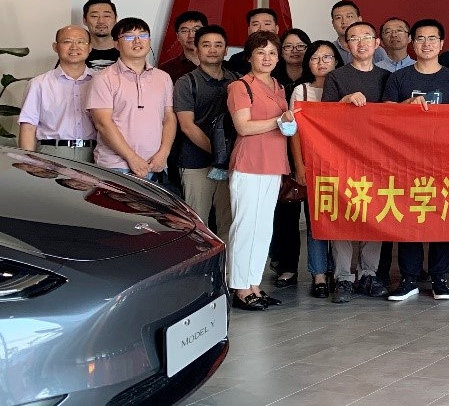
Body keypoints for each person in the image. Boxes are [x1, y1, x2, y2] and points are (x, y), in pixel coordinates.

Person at [383, 19, 449, 301]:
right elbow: (384, 117)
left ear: (442, 44)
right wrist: (406, 106)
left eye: (432, 39)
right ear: (412, 43)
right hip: (406, 159)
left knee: (440, 218)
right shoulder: (399, 78)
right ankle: (409, 278)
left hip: (443, 159)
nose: (426, 44)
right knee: (409, 218)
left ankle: (440, 277)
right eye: (420, 38)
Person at [225, 30, 296, 311]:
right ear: (249, 57)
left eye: (272, 53)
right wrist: (279, 121)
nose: (267, 58)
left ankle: (254, 284)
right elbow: (243, 126)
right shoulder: (241, 86)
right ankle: (239, 287)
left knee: (264, 228)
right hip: (249, 163)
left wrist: (287, 123)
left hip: (273, 164)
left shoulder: (278, 86)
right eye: (260, 52)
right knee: (245, 226)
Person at [323, 21, 392, 302]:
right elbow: (323, 118)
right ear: (346, 44)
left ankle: (368, 274)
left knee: (376, 212)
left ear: (377, 43)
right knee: (342, 215)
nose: (361, 43)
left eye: (366, 37)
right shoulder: (336, 77)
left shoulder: (388, 77)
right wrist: (345, 101)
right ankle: (343, 277)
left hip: (378, 158)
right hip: (343, 157)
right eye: (354, 38)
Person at [86, 18, 176, 181]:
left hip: (156, 165)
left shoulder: (163, 78)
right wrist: (131, 158)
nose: (137, 41)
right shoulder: (103, 78)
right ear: (116, 44)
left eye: (143, 35)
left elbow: (169, 117)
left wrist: (164, 152)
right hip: (116, 166)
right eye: (129, 36)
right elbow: (103, 123)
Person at [172, 25, 238, 238]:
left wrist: (228, 158)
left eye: (218, 45)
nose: (212, 50)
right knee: (197, 226)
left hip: (231, 165)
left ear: (226, 50)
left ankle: (227, 262)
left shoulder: (237, 80)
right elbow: (187, 125)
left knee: (229, 223)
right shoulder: (186, 83)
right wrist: (219, 153)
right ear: (197, 49)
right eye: (206, 45)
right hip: (196, 163)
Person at [290, 40, 343, 298]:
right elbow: (294, 132)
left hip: (342, 166)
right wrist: (299, 165)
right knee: (316, 221)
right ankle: (319, 274)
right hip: (312, 165)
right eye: (315, 58)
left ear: (336, 61)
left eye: (327, 57)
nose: (321, 63)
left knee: (341, 219)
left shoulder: (345, 88)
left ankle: (339, 272)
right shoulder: (301, 91)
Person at [269, 28, 311, 289]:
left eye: (300, 46)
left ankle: (322, 270)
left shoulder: (317, 78)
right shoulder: (273, 80)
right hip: (279, 152)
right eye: (288, 46)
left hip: (315, 153)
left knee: (317, 215)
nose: (294, 51)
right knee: (285, 213)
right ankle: (286, 266)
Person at [18, 25, 97, 163]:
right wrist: (29, 163)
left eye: (81, 42)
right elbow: (28, 128)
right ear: (55, 47)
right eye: (67, 42)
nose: (74, 47)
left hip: (95, 154)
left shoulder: (100, 82)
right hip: (52, 153)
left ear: (90, 47)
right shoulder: (38, 84)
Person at [330, 0, 389, 65]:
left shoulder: (376, 50)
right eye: (338, 18)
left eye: (349, 16)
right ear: (333, 23)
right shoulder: (329, 50)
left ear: (359, 19)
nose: (344, 21)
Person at [225, 8, 282, 75]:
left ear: (277, 29)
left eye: (267, 24)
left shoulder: (286, 58)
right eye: (256, 24)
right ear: (249, 30)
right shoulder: (237, 60)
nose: (261, 28)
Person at [158, 10, 207, 81]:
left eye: (196, 30)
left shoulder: (220, 65)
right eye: (185, 31)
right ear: (178, 36)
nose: (191, 35)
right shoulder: (165, 70)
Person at [83, 0, 120, 70]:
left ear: (115, 19)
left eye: (106, 16)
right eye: (94, 16)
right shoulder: (75, 52)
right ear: (85, 20)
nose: (101, 21)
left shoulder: (126, 52)